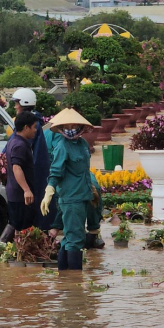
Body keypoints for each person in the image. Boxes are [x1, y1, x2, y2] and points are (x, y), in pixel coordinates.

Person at [40, 108, 95, 271]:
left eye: (74, 126)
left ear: (80, 126)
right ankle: (74, 279)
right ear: (61, 128)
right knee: (75, 239)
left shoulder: (83, 144)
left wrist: (92, 189)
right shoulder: (62, 146)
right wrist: (49, 191)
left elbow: (84, 170)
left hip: (83, 195)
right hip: (71, 198)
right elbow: (55, 171)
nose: (71, 129)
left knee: (69, 238)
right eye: (67, 126)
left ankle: (64, 277)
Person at [11, 88, 51, 231]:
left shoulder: (30, 126)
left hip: (32, 175)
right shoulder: (33, 122)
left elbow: (19, 153)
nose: (15, 107)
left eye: (17, 103)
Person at [0, 111, 38, 242]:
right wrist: (26, 190)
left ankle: (8, 249)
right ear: (26, 127)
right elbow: (17, 167)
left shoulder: (13, 141)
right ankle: (3, 247)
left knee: (17, 224)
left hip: (15, 192)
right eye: (34, 127)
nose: (36, 130)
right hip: (20, 194)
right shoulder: (20, 145)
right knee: (21, 226)